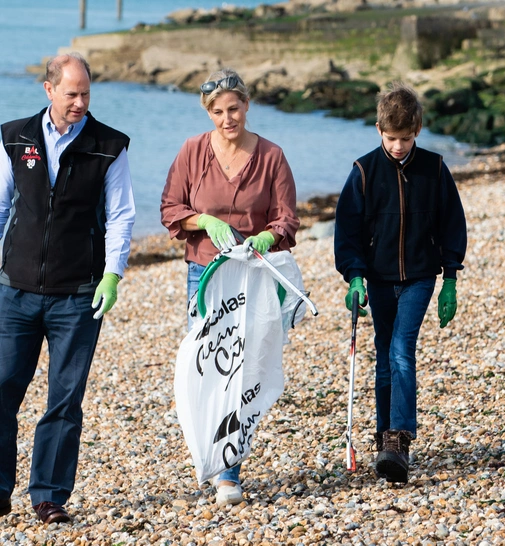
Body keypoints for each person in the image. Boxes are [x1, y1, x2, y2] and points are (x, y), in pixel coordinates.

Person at [0, 53, 135, 523]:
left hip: (78, 296)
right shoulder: (14, 136)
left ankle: (49, 497)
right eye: (72, 93)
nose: (80, 102)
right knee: (1, 388)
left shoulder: (109, 145)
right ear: (48, 89)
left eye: (86, 93)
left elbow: (121, 217)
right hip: (13, 292)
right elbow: (0, 209)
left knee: (64, 399)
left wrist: (113, 275)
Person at [160, 68, 299, 505]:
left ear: (246, 105)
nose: (227, 119)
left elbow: (287, 219)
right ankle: (207, 454)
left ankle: (228, 473)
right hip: (204, 274)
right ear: (208, 113)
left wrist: (265, 236)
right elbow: (170, 208)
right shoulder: (192, 151)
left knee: (241, 371)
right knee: (206, 365)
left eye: (234, 108)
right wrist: (204, 220)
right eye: (218, 112)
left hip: (253, 277)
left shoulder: (272, 156)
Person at [334, 82, 467, 484]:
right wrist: (354, 276)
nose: (397, 146)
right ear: (378, 130)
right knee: (383, 354)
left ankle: (400, 436)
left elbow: (451, 223)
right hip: (375, 278)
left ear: (418, 131)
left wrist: (450, 278)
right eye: (390, 138)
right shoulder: (362, 172)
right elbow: (348, 232)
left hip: (420, 278)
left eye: (405, 138)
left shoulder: (434, 168)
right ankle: (384, 438)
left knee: (401, 349)